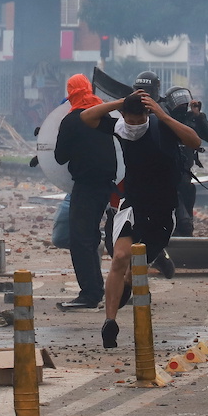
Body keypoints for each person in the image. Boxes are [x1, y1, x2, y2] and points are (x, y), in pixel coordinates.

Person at [80, 91, 201, 349]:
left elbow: (194, 140)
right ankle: (109, 322)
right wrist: (120, 103)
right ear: (124, 116)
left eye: (139, 121)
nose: (134, 126)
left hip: (162, 209)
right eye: (130, 120)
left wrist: (161, 113)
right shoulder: (120, 127)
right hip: (133, 203)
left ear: (147, 115)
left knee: (136, 268)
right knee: (120, 257)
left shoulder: (161, 127)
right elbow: (87, 116)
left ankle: (126, 285)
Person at [53, 74, 117, 310]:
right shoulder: (103, 113)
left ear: (71, 94)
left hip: (86, 185)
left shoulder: (71, 120)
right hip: (108, 185)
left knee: (81, 240)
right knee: (91, 237)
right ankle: (97, 290)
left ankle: (90, 294)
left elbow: (60, 156)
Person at [163, 86, 208, 237]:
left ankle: (183, 249)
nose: (181, 106)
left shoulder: (192, 119)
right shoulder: (164, 118)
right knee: (180, 220)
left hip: (186, 176)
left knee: (187, 225)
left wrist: (198, 116)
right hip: (167, 176)